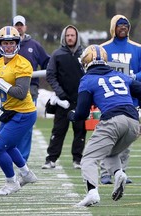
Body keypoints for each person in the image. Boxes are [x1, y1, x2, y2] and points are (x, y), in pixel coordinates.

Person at [68, 44, 141, 207]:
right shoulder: (120, 75)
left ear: (86, 62)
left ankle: (92, 192)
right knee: (109, 152)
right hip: (134, 122)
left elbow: (81, 113)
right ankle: (118, 173)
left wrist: (71, 114)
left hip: (113, 121)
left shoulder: (87, 80)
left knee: (88, 158)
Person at [0, 15, 50, 167]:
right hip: (7, 100)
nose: (19, 27)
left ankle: (22, 159)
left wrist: (0, 81)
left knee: (22, 131)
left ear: (25, 27)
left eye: (21, 25)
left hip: (27, 92)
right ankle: (18, 165)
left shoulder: (32, 47)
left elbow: (21, 92)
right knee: (6, 133)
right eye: (17, 25)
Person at [0, 26, 37, 195]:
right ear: (0, 45)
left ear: (17, 44)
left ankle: (12, 182)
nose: (8, 46)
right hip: (11, 112)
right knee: (10, 146)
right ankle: (26, 174)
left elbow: (21, 93)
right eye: (5, 43)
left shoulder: (23, 64)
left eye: (11, 43)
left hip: (24, 113)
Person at [99, 14, 141, 185]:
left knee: (127, 138)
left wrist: (133, 76)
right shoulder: (103, 48)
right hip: (110, 99)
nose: (123, 28)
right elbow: (96, 69)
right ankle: (105, 172)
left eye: (126, 25)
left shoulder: (137, 48)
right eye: (119, 25)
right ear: (113, 27)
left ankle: (121, 170)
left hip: (131, 100)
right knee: (108, 136)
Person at [42, 25, 86, 169]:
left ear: (77, 37)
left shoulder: (85, 54)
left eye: (72, 35)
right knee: (58, 130)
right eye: (67, 35)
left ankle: (77, 159)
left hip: (81, 100)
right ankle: (51, 159)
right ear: (63, 37)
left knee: (80, 131)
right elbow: (50, 75)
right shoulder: (57, 54)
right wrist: (60, 92)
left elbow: (91, 74)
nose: (70, 38)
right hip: (63, 102)